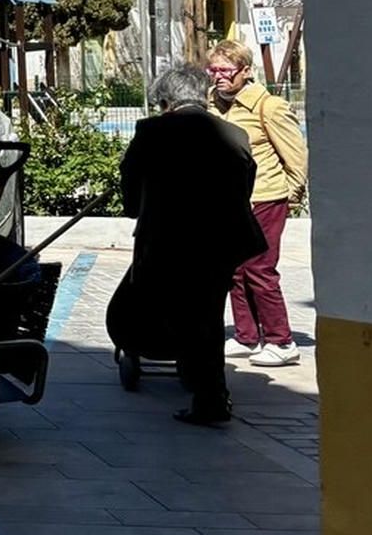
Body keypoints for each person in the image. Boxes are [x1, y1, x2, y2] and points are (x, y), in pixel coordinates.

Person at [120, 62, 266, 426]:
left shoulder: (152, 131)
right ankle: (210, 390)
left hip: (172, 239)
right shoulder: (235, 134)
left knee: (185, 316)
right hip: (222, 241)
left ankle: (208, 395)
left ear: (167, 101)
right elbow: (245, 184)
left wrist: (137, 208)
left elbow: (131, 184)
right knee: (209, 315)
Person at [208, 38, 309, 367]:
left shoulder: (269, 106)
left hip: (265, 197)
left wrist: (291, 195)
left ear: (245, 71)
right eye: (214, 70)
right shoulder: (213, 104)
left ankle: (282, 341)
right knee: (235, 270)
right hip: (228, 201)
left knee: (259, 269)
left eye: (226, 70)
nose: (219, 76)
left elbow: (296, 156)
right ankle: (247, 336)